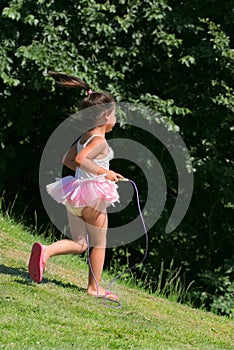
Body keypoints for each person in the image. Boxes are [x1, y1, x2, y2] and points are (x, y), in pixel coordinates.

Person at [28, 72, 124, 300]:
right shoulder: (99, 141)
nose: (116, 119)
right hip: (93, 196)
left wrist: (87, 174)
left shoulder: (84, 138)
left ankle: (47, 251)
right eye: (114, 114)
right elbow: (80, 161)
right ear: (104, 115)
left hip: (76, 195)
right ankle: (94, 288)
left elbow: (69, 160)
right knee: (100, 243)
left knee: (80, 243)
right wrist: (105, 172)